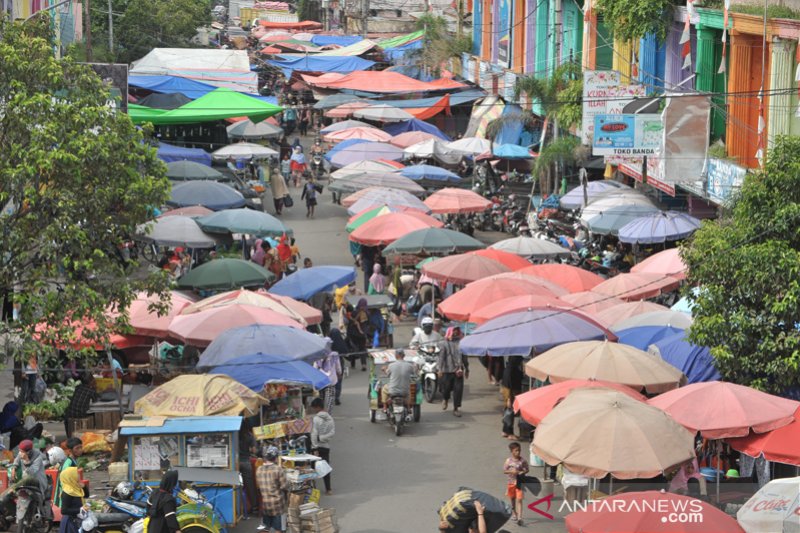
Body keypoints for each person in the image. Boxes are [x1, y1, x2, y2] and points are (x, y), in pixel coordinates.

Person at [437, 327, 468, 417]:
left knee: (458, 390)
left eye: (457, 331)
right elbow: (441, 357)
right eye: (454, 331)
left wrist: (467, 369)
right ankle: (445, 399)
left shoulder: (461, 343)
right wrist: (440, 369)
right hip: (447, 370)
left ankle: (456, 408)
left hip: (458, 371)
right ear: (449, 332)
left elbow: (465, 357)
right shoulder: (443, 343)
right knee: (446, 389)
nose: (455, 333)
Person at [256, 446, 288, 533]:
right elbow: (284, 487)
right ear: (276, 458)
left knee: (265, 528)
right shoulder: (278, 469)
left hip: (266, 504)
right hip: (278, 506)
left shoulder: (259, 469)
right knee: (279, 529)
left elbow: (259, 486)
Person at [309, 398, 334, 495]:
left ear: (318, 407)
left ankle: (312, 490)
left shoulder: (316, 419)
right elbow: (332, 433)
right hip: (326, 447)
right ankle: (328, 489)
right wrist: (323, 438)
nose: (314, 410)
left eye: (314, 408)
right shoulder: (330, 418)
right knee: (326, 468)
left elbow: (313, 434)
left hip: (316, 448)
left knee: (312, 470)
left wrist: (315, 447)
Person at [64, 373, 98, 438]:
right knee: (94, 415)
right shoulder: (91, 391)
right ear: (91, 381)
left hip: (70, 413)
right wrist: (95, 388)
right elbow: (96, 401)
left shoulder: (78, 387)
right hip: (81, 414)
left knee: (66, 416)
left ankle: (69, 436)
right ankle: (90, 435)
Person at [503, 442, 528, 526]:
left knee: (519, 500)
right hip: (511, 483)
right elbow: (504, 471)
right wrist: (511, 471)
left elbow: (527, 469)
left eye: (519, 450)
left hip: (519, 483)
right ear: (512, 451)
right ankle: (514, 512)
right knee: (512, 499)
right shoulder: (508, 461)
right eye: (516, 450)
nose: (518, 452)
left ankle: (520, 518)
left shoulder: (522, 460)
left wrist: (522, 472)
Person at [58, 467, 89, 533]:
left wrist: (84, 487)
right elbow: (64, 510)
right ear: (71, 476)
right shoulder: (67, 492)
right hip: (70, 522)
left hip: (77, 520)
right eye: (76, 473)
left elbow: (86, 495)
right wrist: (80, 509)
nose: (78, 475)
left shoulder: (75, 487)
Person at [54, 438, 83, 507]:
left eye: (81, 447)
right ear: (70, 450)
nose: (80, 450)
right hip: (65, 496)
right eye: (77, 448)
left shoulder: (73, 461)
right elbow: (64, 482)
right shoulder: (68, 463)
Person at [501, 357, 523, 440]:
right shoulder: (511, 371)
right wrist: (509, 399)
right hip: (510, 394)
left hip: (509, 392)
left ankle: (505, 431)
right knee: (510, 413)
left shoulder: (508, 368)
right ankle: (510, 433)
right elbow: (509, 384)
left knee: (507, 412)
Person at [239, 419, 258, 517]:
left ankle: (239, 509)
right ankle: (254, 507)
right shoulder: (249, 436)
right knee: (250, 486)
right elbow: (254, 451)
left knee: (236, 487)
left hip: (235, 463)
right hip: (246, 462)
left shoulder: (235, 434)